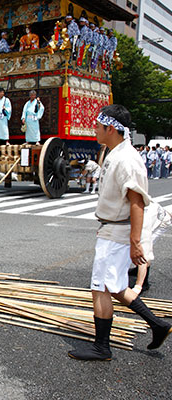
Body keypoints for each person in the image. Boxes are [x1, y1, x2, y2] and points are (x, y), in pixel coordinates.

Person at [68, 104, 171, 361]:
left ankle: (102, 347)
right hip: (112, 230)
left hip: (117, 234)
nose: (95, 129)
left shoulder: (126, 159)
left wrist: (136, 242)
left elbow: (137, 202)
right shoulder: (116, 152)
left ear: (111, 128)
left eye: (98, 126)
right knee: (113, 286)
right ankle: (157, 324)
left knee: (100, 288)